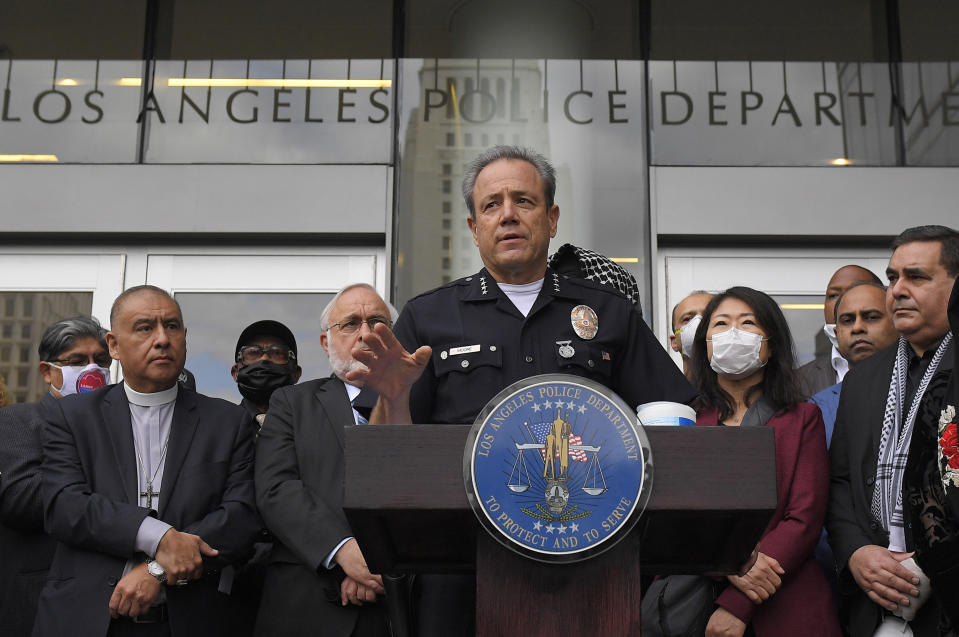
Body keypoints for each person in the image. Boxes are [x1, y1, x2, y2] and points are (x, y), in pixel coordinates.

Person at [350, 145, 696, 636]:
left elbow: (671, 419)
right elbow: (389, 464)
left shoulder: (610, 313)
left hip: (592, 559)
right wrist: (393, 396)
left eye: (524, 201)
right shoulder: (428, 318)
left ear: (552, 219)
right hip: (460, 565)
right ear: (473, 227)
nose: (508, 214)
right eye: (491, 205)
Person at [35, 285, 261, 637]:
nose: (161, 339)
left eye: (172, 327)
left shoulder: (227, 422)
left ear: (184, 338)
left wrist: (157, 568)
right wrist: (159, 536)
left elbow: (241, 517)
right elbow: (64, 505)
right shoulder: (73, 417)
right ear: (113, 345)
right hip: (87, 618)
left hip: (190, 619)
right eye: (145, 327)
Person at [828, 225, 959, 636]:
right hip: (875, 599)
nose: (897, 290)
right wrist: (856, 552)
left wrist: (935, 560)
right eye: (892, 278)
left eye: (916, 277)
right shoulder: (863, 379)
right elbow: (840, 482)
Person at [690, 286, 841, 637]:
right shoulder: (686, 420)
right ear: (705, 343)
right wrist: (730, 563)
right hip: (695, 600)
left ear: (770, 343)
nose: (733, 334)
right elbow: (679, 521)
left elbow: (804, 519)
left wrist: (738, 604)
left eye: (748, 323)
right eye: (721, 324)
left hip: (787, 603)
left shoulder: (803, 418)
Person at [254, 283, 394, 637]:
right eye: (350, 323)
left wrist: (379, 565)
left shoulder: (417, 402)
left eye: (378, 322)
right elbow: (277, 488)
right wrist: (345, 552)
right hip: (306, 604)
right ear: (324, 342)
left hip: (397, 605)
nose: (365, 333)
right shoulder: (291, 402)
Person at [0, 316, 111, 637]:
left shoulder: (122, 427)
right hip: (40, 603)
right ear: (47, 371)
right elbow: (23, 501)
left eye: (100, 360)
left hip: (110, 604)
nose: (92, 369)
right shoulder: (17, 422)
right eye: (77, 360)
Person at [810, 281, 898, 445]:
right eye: (847, 320)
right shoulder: (817, 408)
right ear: (836, 334)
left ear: (897, 324)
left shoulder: (928, 390)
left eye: (871, 317)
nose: (857, 328)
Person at [797, 265, 883, 398]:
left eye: (855, 290)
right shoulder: (797, 382)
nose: (843, 301)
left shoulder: (916, 374)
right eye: (834, 295)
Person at [231, 320, 301, 427]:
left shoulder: (315, 426)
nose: (264, 359)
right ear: (235, 373)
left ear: (296, 373)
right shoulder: (219, 426)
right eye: (252, 353)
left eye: (277, 353)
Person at [669, 290, 714, 379]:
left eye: (708, 317)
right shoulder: (664, 392)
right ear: (674, 342)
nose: (699, 324)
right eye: (688, 319)